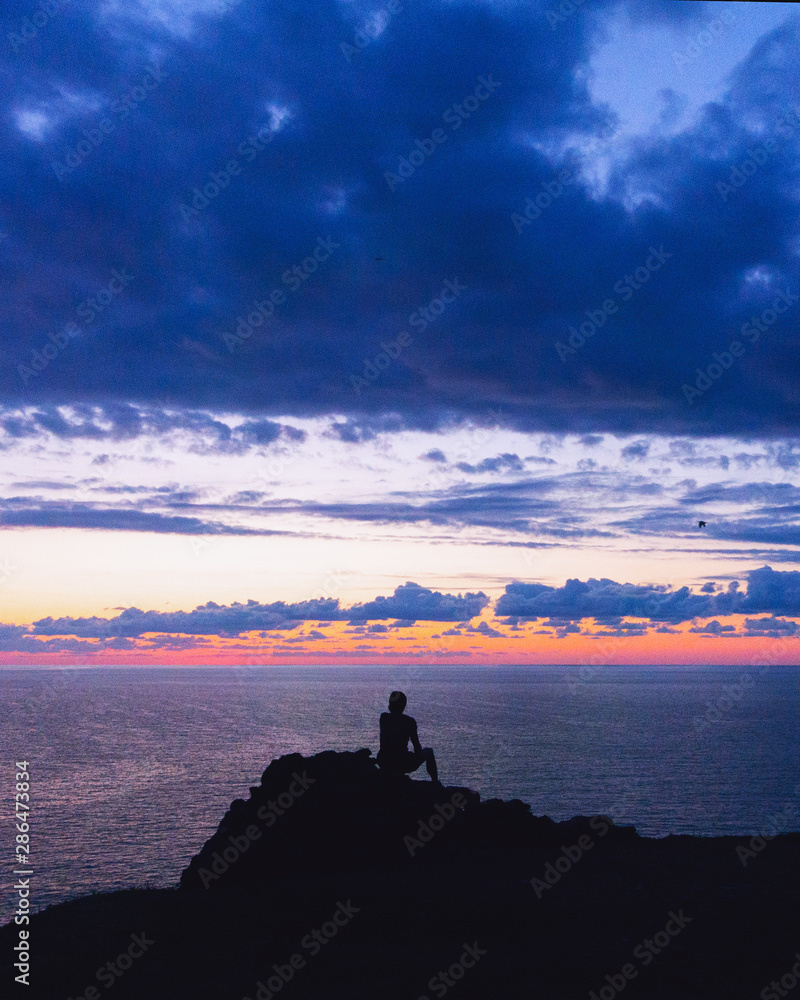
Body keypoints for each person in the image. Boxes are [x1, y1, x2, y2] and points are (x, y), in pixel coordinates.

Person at [377, 690, 439, 783]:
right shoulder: (409, 722)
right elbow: (417, 747)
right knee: (429, 752)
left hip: (384, 761)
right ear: (403, 706)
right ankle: (435, 782)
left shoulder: (384, 718)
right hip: (401, 763)